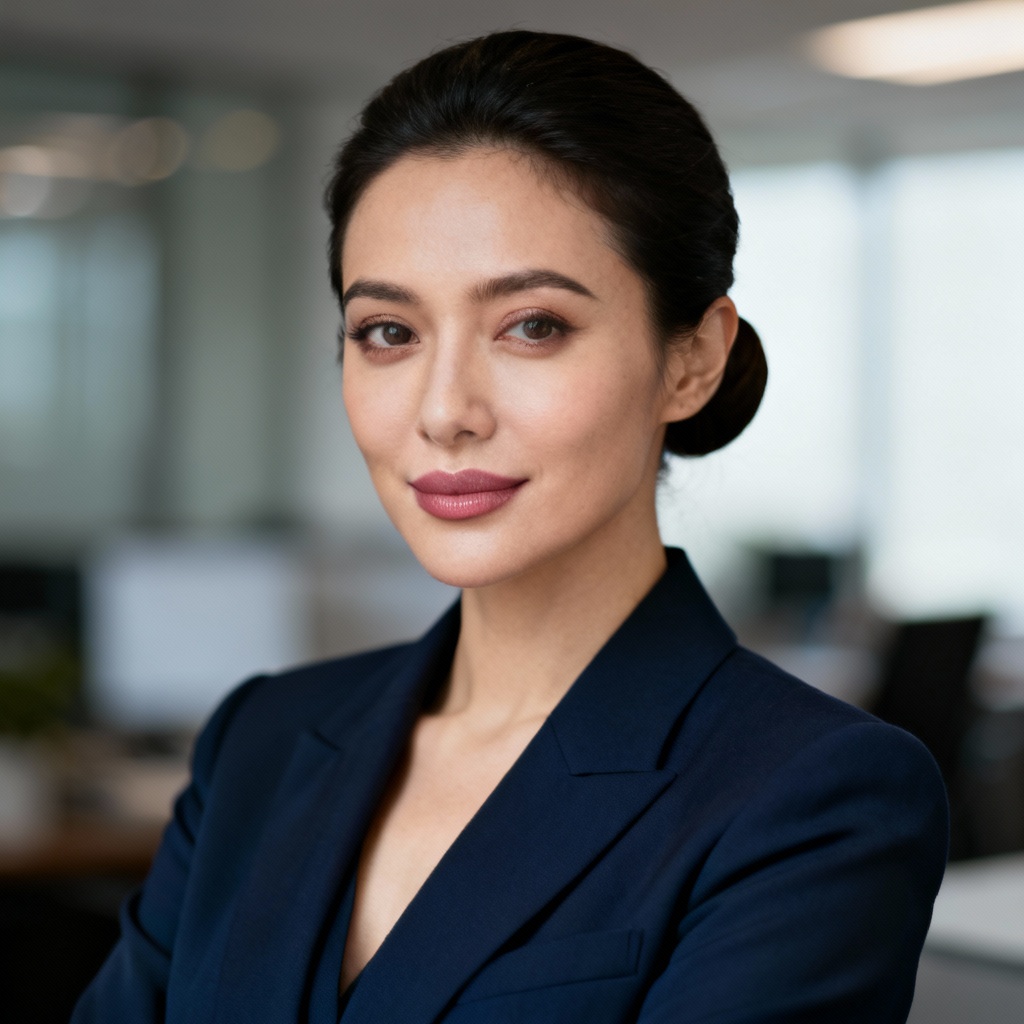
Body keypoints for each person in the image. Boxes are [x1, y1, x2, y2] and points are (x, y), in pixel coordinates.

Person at [73, 30, 948, 1024]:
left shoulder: (810, 795)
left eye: (531, 325)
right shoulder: (262, 741)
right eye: (388, 333)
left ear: (692, 358)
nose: (444, 409)